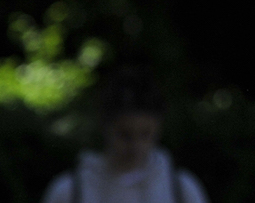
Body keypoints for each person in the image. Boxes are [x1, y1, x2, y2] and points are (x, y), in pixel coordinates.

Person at [41, 67, 209, 203]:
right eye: (125, 135)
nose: (135, 146)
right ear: (105, 127)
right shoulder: (69, 191)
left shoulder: (181, 189)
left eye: (145, 134)